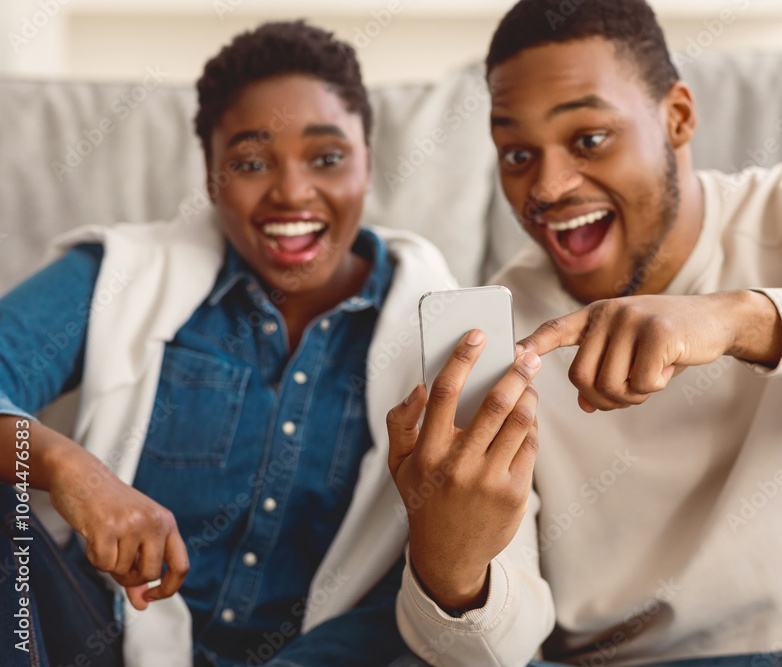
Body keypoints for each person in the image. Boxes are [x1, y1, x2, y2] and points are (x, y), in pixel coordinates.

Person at [385, 1, 782, 665]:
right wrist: (453, 577)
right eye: (517, 153)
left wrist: (742, 318)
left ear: (676, 117)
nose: (548, 186)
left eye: (589, 139)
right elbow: (495, 651)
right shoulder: (498, 338)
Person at [0, 21, 456, 667]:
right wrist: (67, 468)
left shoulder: (438, 331)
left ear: (368, 160)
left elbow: (427, 587)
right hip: (95, 638)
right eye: (249, 162)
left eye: (326, 158)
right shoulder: (121, 272)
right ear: (211, 174)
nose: (292, 193)